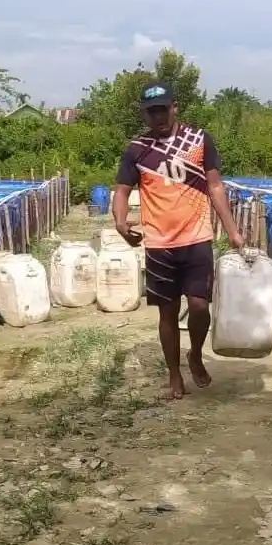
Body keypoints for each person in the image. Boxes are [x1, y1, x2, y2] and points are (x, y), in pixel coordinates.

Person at [113, 81, 245, 401]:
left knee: (199, 306)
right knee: (167, 313)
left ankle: (195, 354)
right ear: (144, 114)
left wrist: (232, 230)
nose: (158, 117)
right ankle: (174, 374)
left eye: (163, 110)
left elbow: (215, 186)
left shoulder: (199, 140)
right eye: (151, 112)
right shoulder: (137, 149)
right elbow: (122, 191)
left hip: (197, 238)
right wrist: (120, 222)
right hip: (159, 244)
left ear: (175, 108)